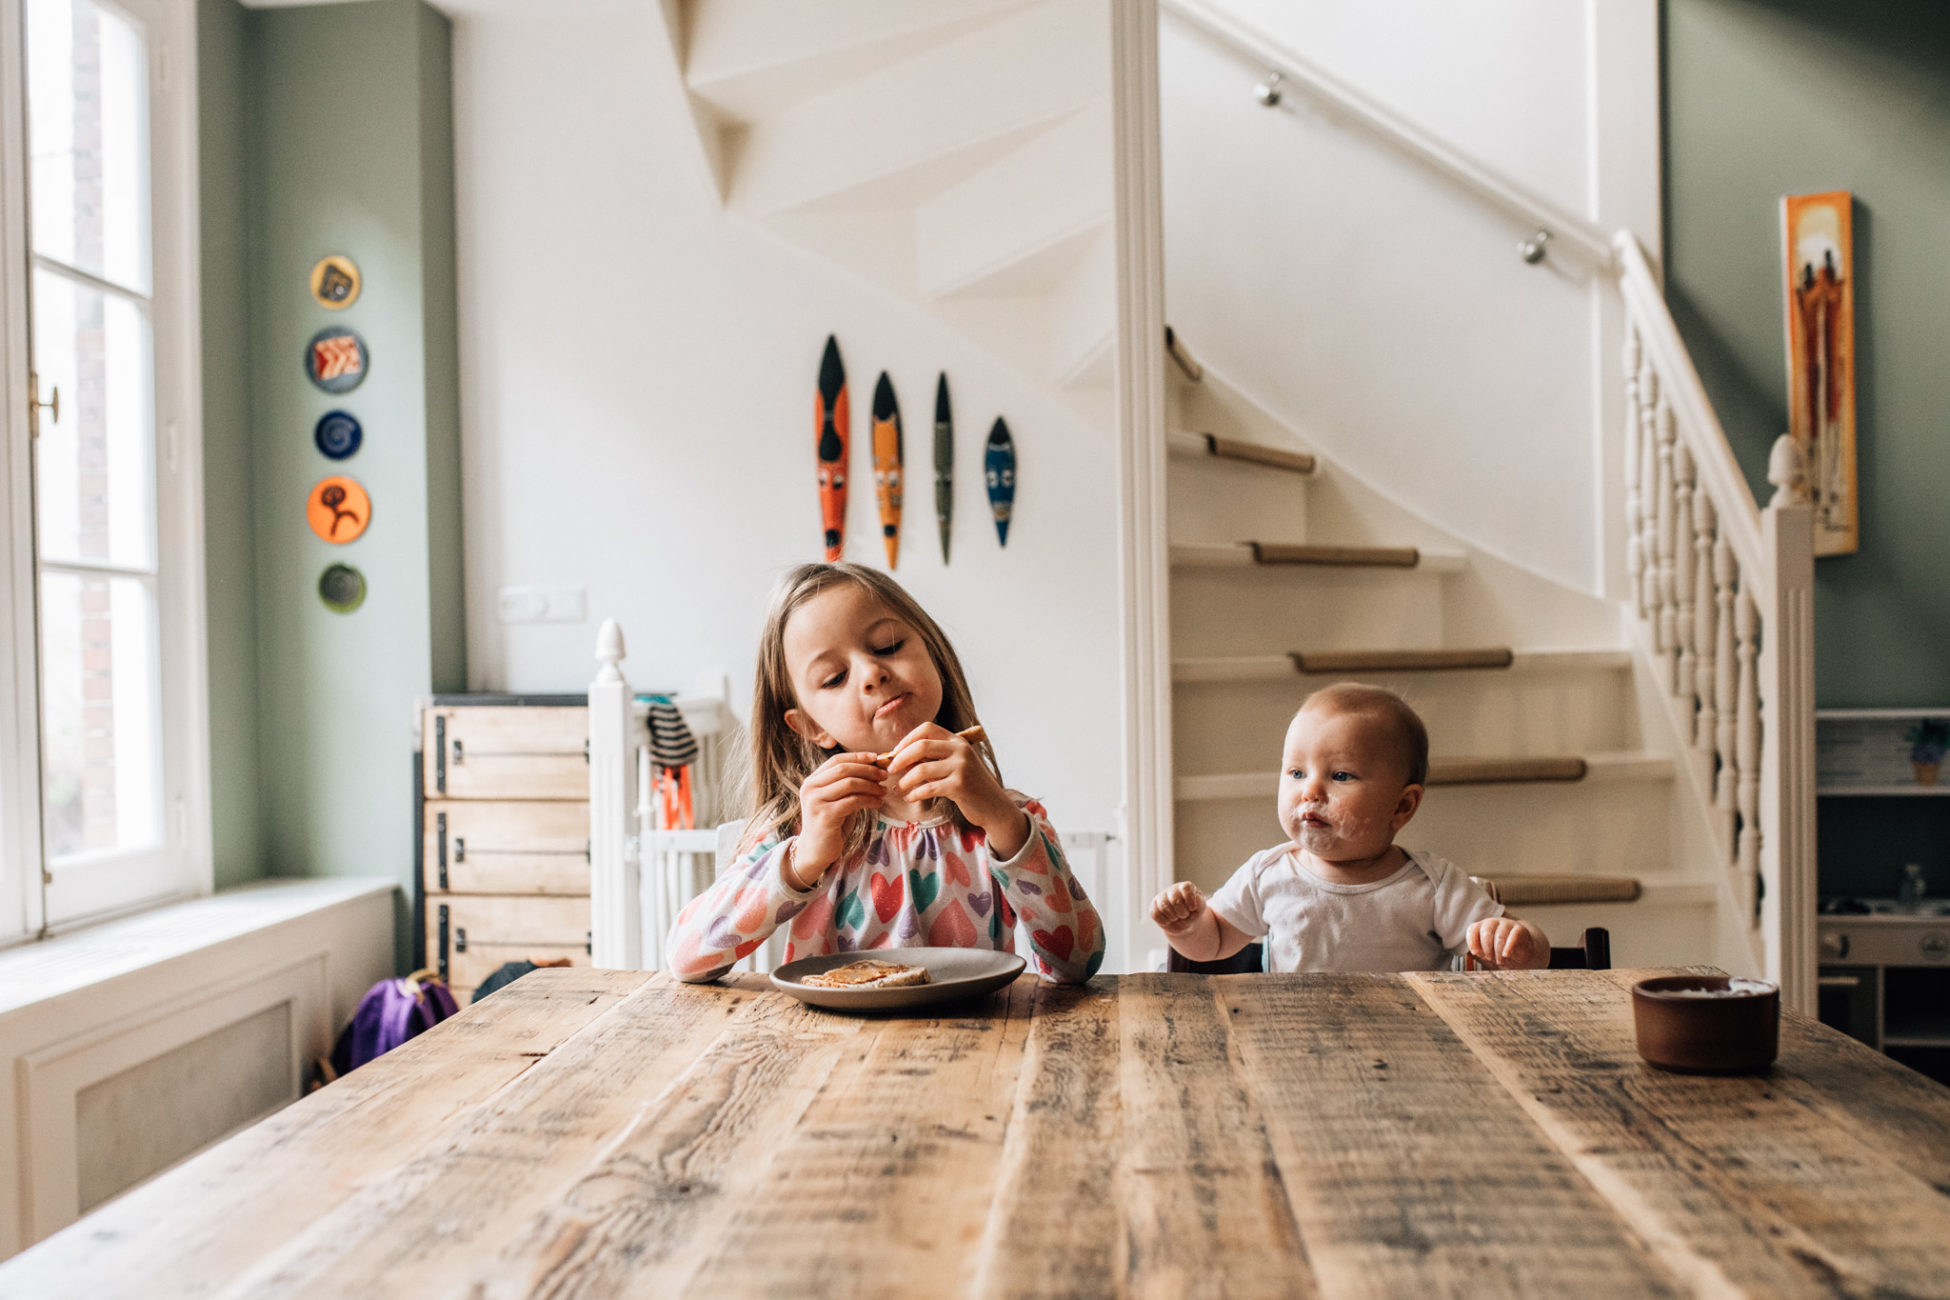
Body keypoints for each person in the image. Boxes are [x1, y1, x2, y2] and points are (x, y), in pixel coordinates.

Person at [667, 562, 1104, 983]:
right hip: (831, 1050)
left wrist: (1001, 820)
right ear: (813, 727)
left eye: (888, 647)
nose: (872, 673)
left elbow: (1078, 964)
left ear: (933, 652)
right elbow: (687, 959)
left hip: (981, 1047)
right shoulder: (802, 827)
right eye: (835, 677)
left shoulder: (1009, 817)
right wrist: (804, 860)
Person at [1151, 683, 1548, 972]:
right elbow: (1215, 941)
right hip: (1295, 1044)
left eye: (1340, 775)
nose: (1310, 790)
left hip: (1413, 1047)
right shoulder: (1268, 874)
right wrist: (1188, 927)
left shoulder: (1432, 886)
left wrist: (1518, 945)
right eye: (1296, 772)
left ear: (1402, 805)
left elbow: (1534, 952)